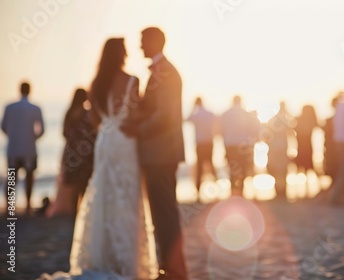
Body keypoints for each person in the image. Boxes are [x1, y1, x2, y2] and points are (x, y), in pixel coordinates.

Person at [41, 38, 159, 280]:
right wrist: (134, 121)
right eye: (125, 50)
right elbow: (134, 114)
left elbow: (95, 120)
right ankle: (126, 259)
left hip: (105, 142)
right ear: (120, 54)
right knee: (127, 195)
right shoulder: (132, 80)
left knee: (104, 193)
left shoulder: (95, 84)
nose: (127, 53)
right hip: (125, 141)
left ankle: (103, 255)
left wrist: (109, 124)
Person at [122, 27, 188, 279]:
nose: (140, 47)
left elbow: (165, 116)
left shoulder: (166, 72)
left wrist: (136, 128)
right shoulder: (161, 71)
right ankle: (170, 267)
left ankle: (174, 270)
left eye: (142, 41)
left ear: (154, 41)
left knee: (165, 213)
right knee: (162, 213)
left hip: (162, 153)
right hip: (159, 153)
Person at [46, 89, 97, 217]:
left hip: (71, 153)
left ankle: (75, 210)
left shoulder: (69, 113)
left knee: (73, 183)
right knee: (84, 183)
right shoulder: (87, 114)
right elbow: (94, 133)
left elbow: (64, 133)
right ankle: (82, 210)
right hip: (86, 154)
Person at [2, 82, 44, 215]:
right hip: (29, 148)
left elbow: (3, 126)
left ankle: (9, 205)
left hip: (13, 148)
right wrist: (33, 138)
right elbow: (41, 130)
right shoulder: (35, 108)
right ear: (30, 91)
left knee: (12, 176)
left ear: (19, 90)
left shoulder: (9, 107)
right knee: (29, 176)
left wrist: (12, 135)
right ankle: (27, 205)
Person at [220, 95, 260, 195]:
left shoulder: (226, 114)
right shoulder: (246, 114)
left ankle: (233, 190)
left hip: (229, 145)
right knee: (242, 167)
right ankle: (241, 190)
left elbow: (220, 131)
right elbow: (253, 130)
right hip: (243, 145)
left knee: (232, 168)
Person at [186, 97, 217, 198]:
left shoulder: (196, 115)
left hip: (200, 144)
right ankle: (217, 187)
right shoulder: (209, 114)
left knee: (199, 167)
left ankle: (198, 192)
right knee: (211, 165)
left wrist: (193, 108)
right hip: (209, 142)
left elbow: (187, 119)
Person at [265, 101, 293, 200]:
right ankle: (282, 192)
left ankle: (278, 192)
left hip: (274, 147)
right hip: (282, 147)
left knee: (275, 170)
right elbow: (291, 133)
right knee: (282, 170)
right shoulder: (286, 119)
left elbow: (267, 135)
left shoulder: (272, 119)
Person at [294, 105, 318, 176]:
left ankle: (304, 185)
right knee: (307, 167)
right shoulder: (311, 121)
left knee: (302, 168)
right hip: (307, 148)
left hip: (302, 148)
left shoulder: (299, 120)